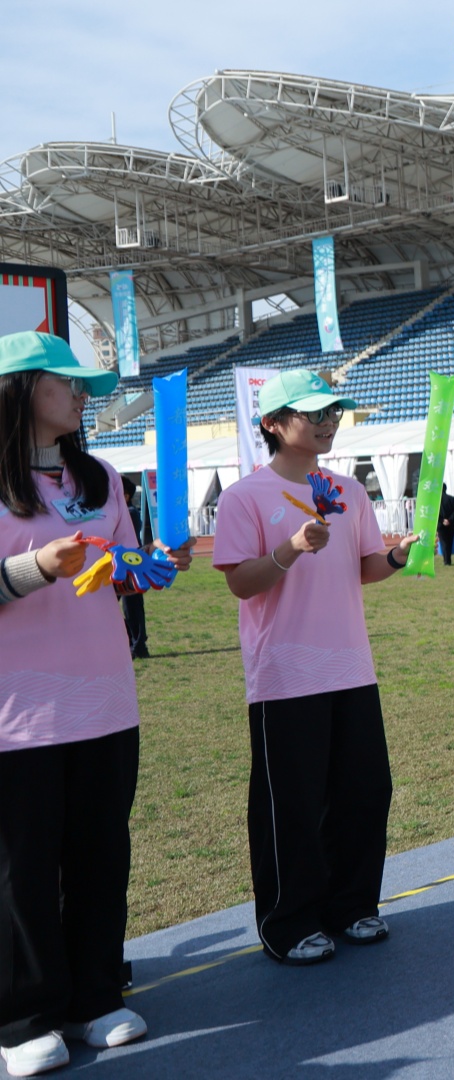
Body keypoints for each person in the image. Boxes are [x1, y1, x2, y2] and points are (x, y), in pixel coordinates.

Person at [0, 332, 195, 1076]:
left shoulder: (101, 476)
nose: (83, 395)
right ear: (20, 388)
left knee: (100, 855)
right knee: (21, 870)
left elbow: (119, 572)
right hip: (17, 717)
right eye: (69, 382)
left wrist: (154, 566)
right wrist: (35, 566)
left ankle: (94, 996)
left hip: (105, 704)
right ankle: (22, 1019)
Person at [212, 369, 418, 968]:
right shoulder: (245, 496)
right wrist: (291, 549)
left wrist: (396, 557)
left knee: (364, 792)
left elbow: (363, 567)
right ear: (273, 424)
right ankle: (288, 921)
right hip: (285, 675)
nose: (329, 422)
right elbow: (241, 583)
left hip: (351, 667)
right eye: (315, 413)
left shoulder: (348, 490)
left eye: (334, 412)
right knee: (292, 805)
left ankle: (351, 906)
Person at [120, 475, 150, 659]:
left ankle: (138, 645)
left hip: (131, 566)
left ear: (126, 496)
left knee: (132, 608)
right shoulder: (123, 512)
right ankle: (134, 643)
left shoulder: (130, 513)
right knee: (126, 608)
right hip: (120, 566)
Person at [438, 489, 454, 566]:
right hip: (451, 524)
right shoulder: (451, 498)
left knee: (443, 542)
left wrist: (442, 520)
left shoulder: (436, 500)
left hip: (441, 524)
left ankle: (446, 560)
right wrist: (449, 519)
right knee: (450, 542)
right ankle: (448, 559)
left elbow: (434, 512)